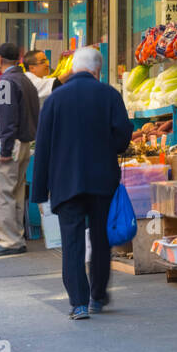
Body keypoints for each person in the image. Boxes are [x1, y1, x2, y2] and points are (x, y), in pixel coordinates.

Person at [31, 47, 132, 319]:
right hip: (102, 181)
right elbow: (123, 137)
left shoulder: (56, 99)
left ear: (74, 68)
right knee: (100, 239)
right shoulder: (110, 95)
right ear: (98, 70)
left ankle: (78, 302)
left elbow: (43, 147)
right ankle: (98, 295)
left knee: (72, 241)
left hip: (66, 182)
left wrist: (39, 190)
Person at [0, 43, 39, 256]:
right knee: (16, 192)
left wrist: (5, 149)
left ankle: (8, 240)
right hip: (24, 143)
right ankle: (16, 236)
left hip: (10, 144)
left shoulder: (5, 82)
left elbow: (7, 118)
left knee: (3, 194)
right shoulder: (25, 80)